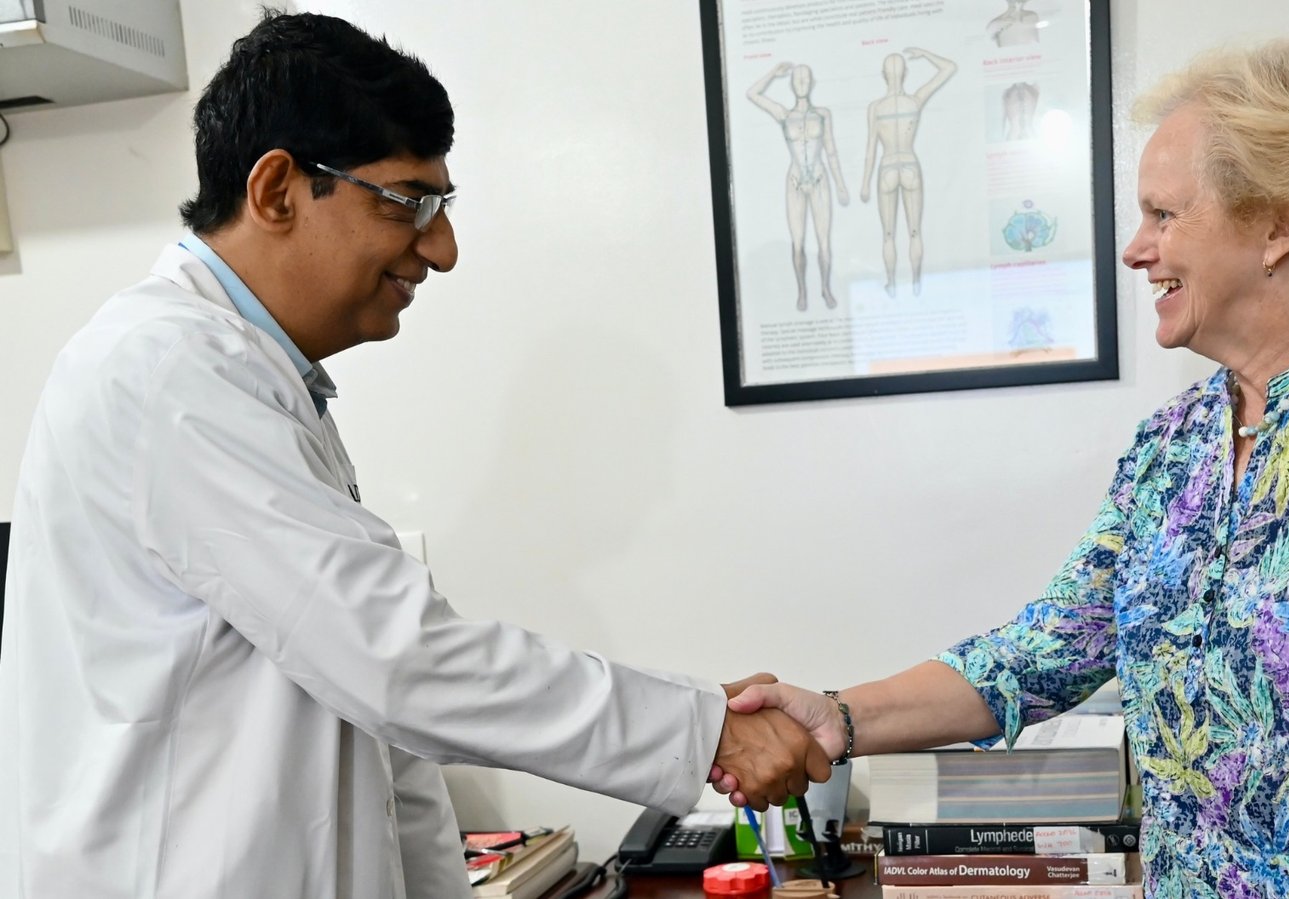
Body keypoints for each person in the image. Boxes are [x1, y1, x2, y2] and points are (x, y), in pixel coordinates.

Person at [722, 38, 1289, 898]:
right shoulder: (1171, 444)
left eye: (1163, 215)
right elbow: (1047, 647)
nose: (1136, 249)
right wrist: (837, 716)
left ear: (1275, 226)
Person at [0, 12, 827, 898]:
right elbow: (399, 658)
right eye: (407, 202)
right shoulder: (167, 372)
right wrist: (704, 732)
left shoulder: (248, 374)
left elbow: (381, 730)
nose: (441, 248)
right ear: (278, 190)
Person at [746, 62, 850, 312]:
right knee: (797, 242)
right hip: (794, 181)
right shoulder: (784, 115)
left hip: (819, 178)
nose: (802, 82)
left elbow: (831, 150)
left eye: (806, 78)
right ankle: (802, 291)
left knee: (824, 242)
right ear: (791, 85)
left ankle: (825, 287)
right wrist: (772, 73)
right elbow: (752, 94)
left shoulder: (823, 114)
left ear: (813, 83)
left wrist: (841, 185)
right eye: (797, 79)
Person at [860, 48, 957, 298]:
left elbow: (871, 148)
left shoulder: (875, 107)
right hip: (910, 163)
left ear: (883, 75)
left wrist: (865, 183)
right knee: (915, 230)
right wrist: (925, 54)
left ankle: (892, 282)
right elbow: (949, 68)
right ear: (906, 73)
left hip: (888, 165)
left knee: (888, 234)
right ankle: (915, 282)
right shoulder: (915, 101)